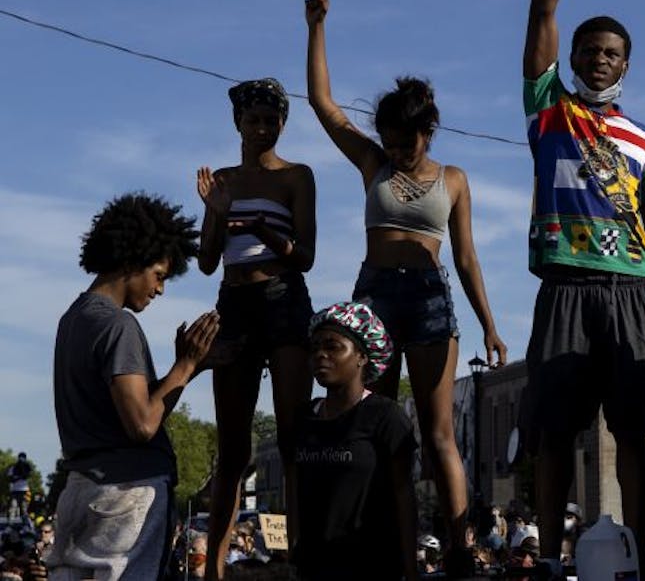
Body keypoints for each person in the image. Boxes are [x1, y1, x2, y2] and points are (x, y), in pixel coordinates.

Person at [520, 0, 645, 574]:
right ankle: (555, 562)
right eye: (588, 50)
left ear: (626, 65)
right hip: (564, 286)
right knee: (554, 435)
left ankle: (641, 558)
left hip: (631, 294)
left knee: (632, 431)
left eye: (611, 52)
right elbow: (543, 10)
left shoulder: (644, 139)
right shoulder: (548, 110)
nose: (597, 58)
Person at [305, 0, 506, 567]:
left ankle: (460, 549)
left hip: (429, 303)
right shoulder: (374, 164)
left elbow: (466, 259)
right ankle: (375, 541)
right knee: (373, 420)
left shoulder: (455, 179)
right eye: (389, 141)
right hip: (374, 300)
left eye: (406, 142)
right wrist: (317, 28)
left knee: (438, 433)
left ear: (429, 131)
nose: (396, 151)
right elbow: (324, 106)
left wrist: (490, 325)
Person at [46, 192, 219, 581]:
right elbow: (140, 425)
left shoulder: (73, 319)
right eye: (158, 275)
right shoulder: (118, 325)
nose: (160, 289)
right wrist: (185, 364)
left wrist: (182, 373)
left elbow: (121, 410)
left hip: (81, 486)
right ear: (131, 261)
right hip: (126, 493)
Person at [195, 78, 317, 579]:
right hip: (234, 303)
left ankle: (301, 559)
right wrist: (218, 215)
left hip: (284, 298)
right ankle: (215, 567)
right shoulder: (221, 180)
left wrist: (268, 232)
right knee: (233, 448)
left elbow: (306, 257)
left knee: (292, 437)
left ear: (283, 124)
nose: (263, 127)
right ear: (237, 124)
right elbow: (205, 262)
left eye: (272, 120)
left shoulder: (297, 177)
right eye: (254, 119)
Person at [290, 302, 417, 581]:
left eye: (333, 346)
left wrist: (410, 570)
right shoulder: (302, 419)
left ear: (362, 355)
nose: (320, 355)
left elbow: (404, 496)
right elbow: (295, 490)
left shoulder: (385, 416)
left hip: (370, 566)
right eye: (314, 348)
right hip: (313, 568)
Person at [5, 456, 31, 522]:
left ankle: (25, 523)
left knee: (24, 508)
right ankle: (11, 523)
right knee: (13, 507)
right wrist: (19, 477)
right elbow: (10, 479)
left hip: (24, 490)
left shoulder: (27, 466)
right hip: (15, 490)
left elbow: (27, 475)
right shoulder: (13, 467)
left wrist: (22, 474)